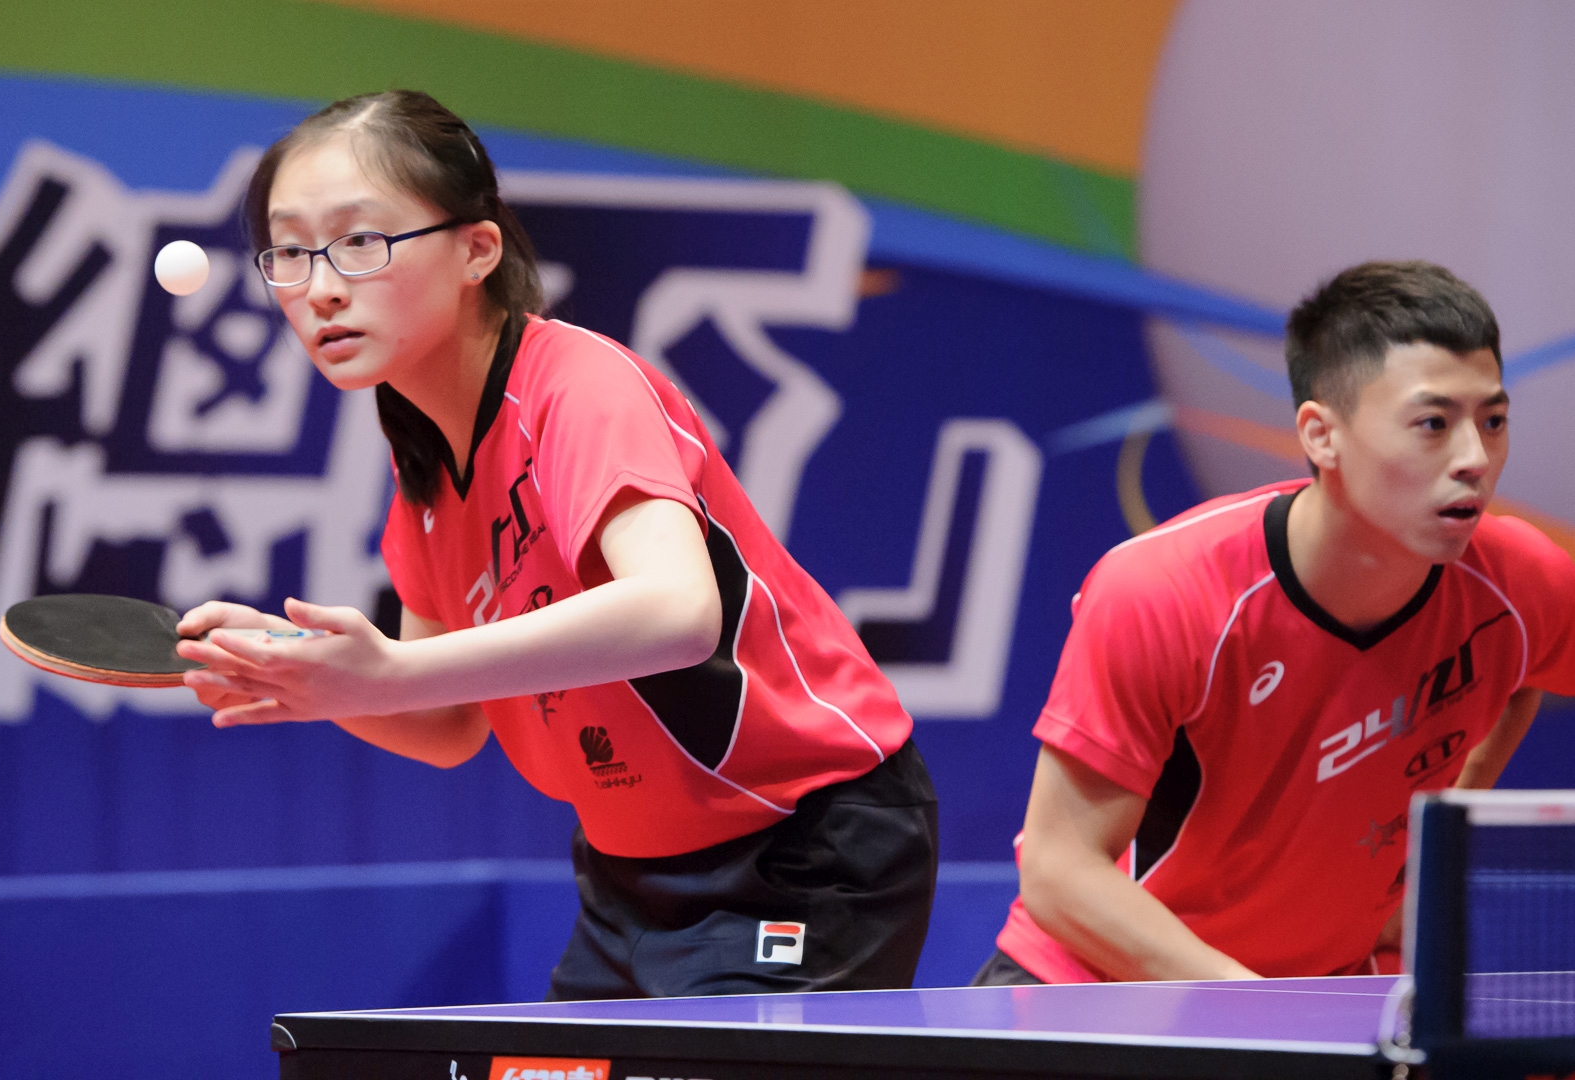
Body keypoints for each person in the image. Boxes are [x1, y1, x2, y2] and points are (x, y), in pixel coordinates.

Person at [175, 89, 937, 1000]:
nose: (320, 287)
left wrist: (390, 671)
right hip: (627, 876)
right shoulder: (426, 467)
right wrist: (305, 678)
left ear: (476, 249)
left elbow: (677, 612)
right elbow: (446, 723)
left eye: (360, 241)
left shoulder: (576, 387)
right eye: (291, 253)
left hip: (801, 845)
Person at [974, 260, 1575, 985]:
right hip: (1099, 985)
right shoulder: (1164, 593)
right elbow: (1057, 870)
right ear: (1321, 436)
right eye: (1433, 424)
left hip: (1321, 988)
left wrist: (1439, 836)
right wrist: (1255, 1012)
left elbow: (1528, 664)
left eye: (1493, 421)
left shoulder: (1519, 584)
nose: (1474, 458)